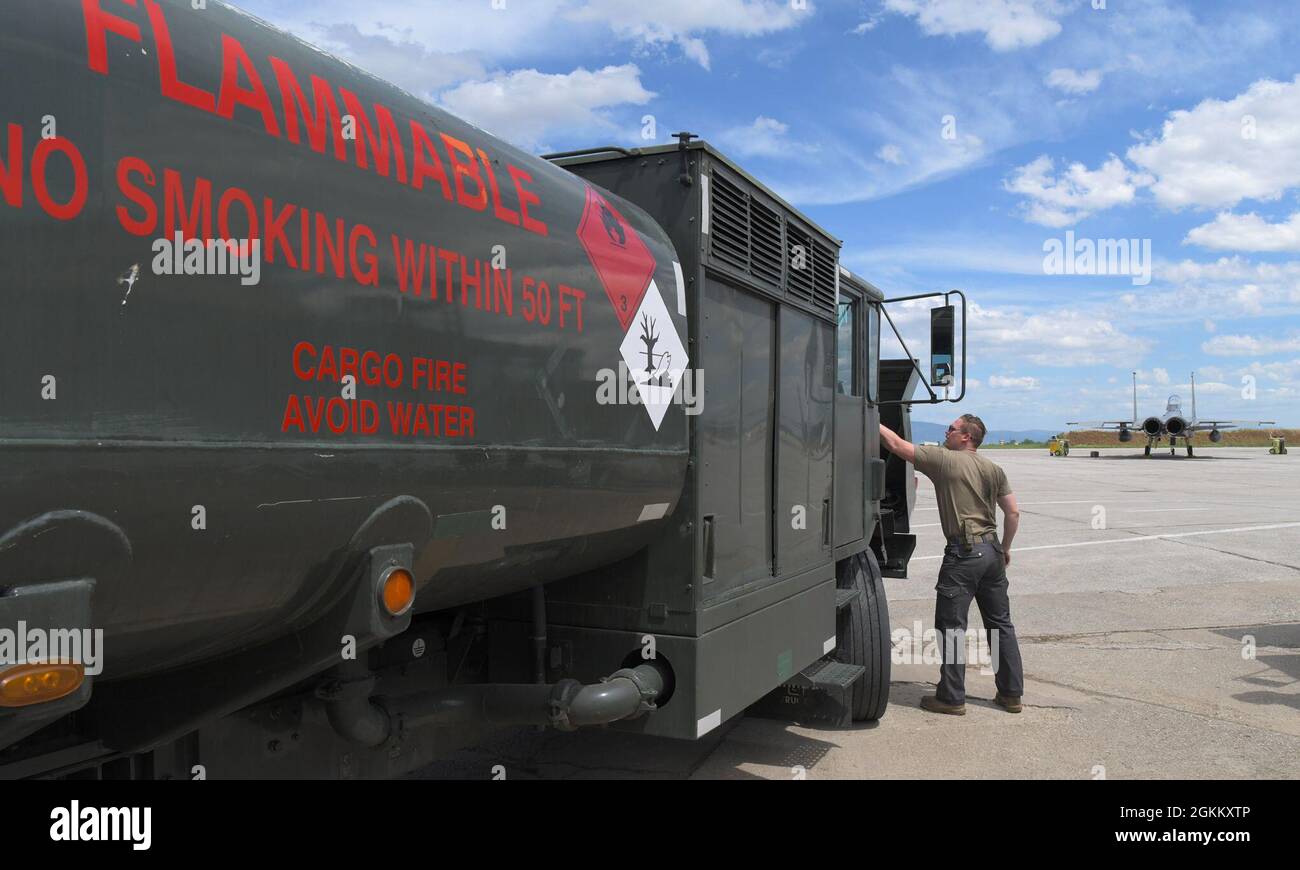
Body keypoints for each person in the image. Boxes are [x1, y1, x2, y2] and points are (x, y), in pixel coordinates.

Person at [878, 414, 1024, 715]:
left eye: (952, 429)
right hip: (992, 552)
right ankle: (1011, 694)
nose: (946, 432)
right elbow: (1013, 513)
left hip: (963, 555)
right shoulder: (993, 468)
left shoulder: (944, 460)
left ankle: (951, 697)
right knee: (1000, 626)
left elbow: (894, 443)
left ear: (966, 437)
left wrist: (867, 413)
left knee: (952, 628)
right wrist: (1005, 549)